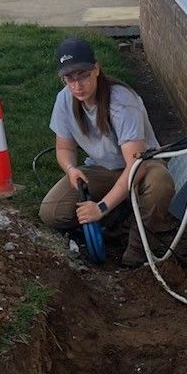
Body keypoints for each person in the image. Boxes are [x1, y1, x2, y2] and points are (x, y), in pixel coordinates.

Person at [39, 36, 175, 267]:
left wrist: (100, 208)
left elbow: (135, 165)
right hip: (102, 168)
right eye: (69, 78)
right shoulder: (64, 100)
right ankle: (116, 219)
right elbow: (64, 147)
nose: (77, 86)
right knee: (51, 213)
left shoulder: (122, 103)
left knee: (160, 183)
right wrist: (71, 170)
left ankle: (137, 251)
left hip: (142, 165)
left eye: (82, 75)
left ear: (96, 69)